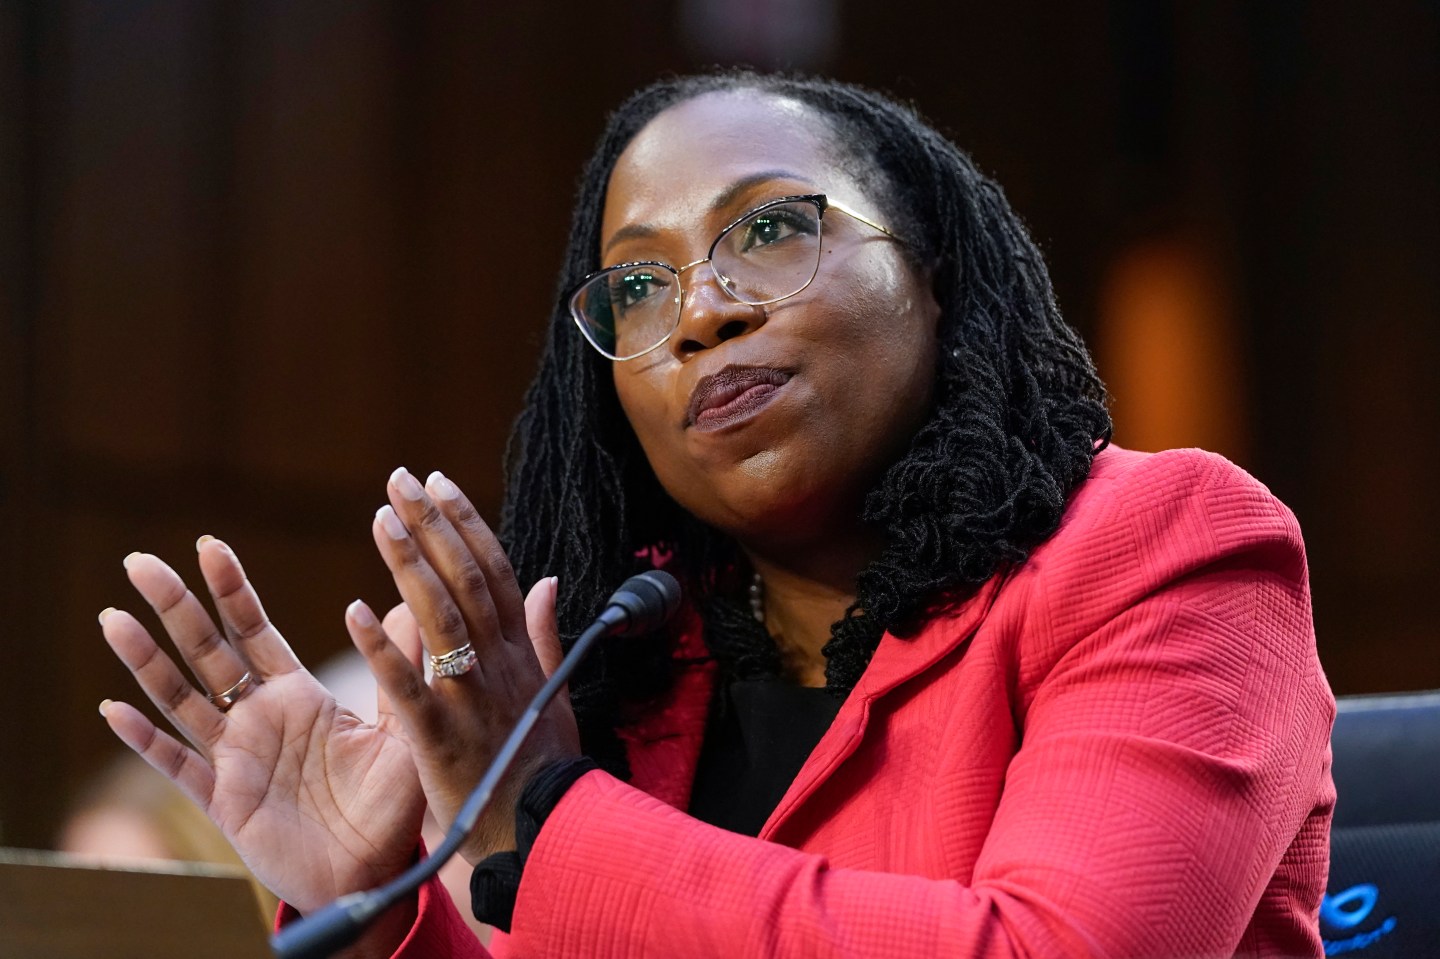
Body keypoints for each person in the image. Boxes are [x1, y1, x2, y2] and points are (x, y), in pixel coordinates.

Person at [96, 71, 1335, 958]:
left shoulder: (1162, 544)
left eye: (770, 229)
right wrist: (375, 907)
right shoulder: (630, 651)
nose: (699, 312)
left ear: (934, 273)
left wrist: (544, 820)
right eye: (637, 285)